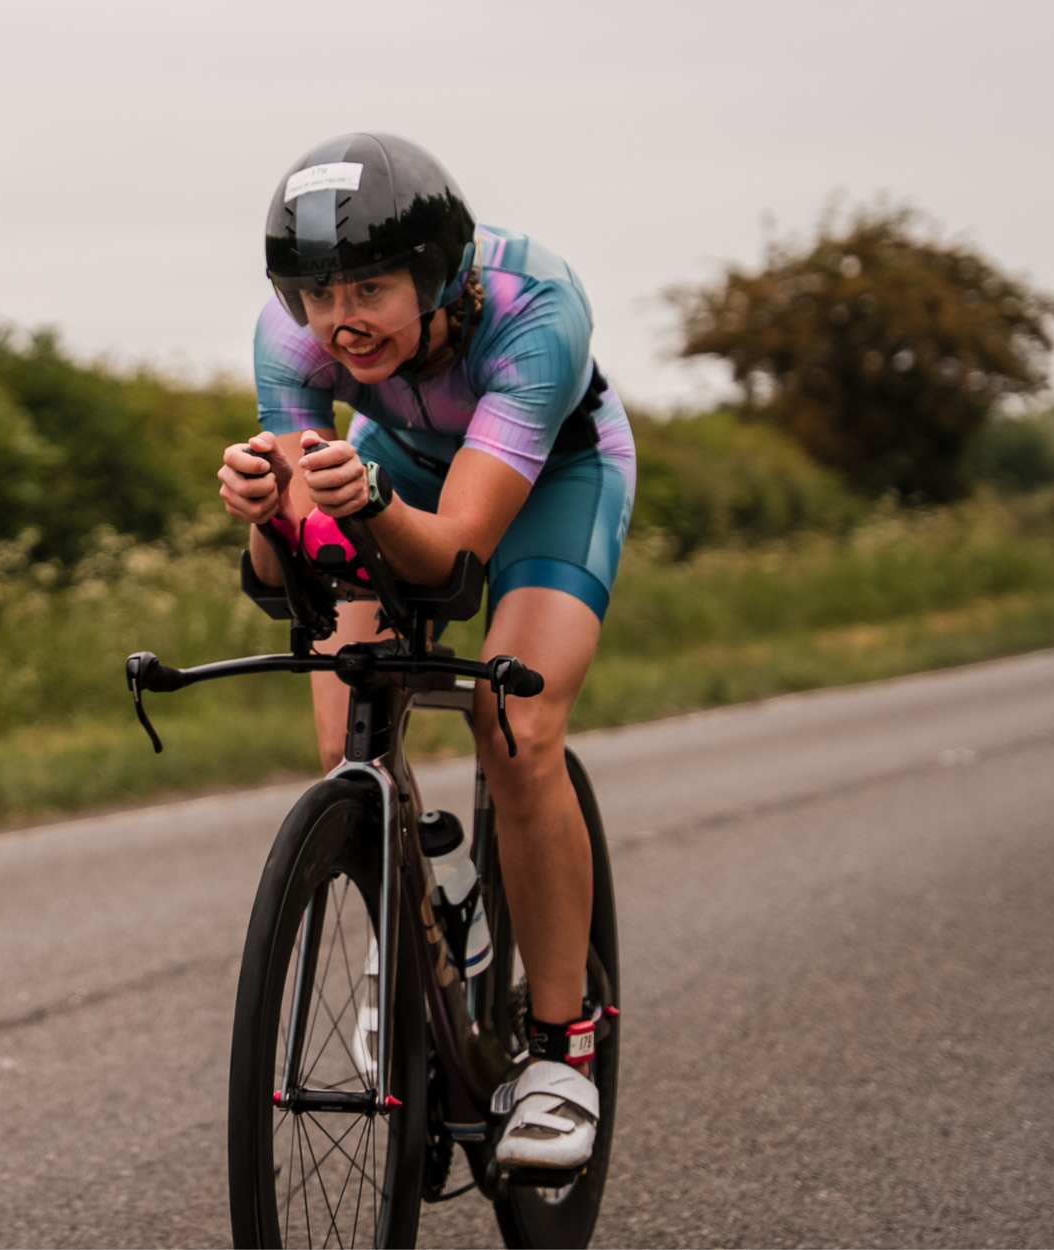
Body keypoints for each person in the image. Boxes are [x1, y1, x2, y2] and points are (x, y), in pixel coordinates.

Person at [216, 132, 634, 1170]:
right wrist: (265, 517)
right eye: (318, 295)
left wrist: (373, 503)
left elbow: (450, 563)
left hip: (551, 482)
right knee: (346, 721)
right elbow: (293, 587)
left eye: (368, 286)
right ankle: (428, 896)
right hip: (392, 470)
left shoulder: (538, 313)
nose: (340, 319)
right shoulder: (292, 336)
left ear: (438, 271)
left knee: (516, 723)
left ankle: (560, 1047)